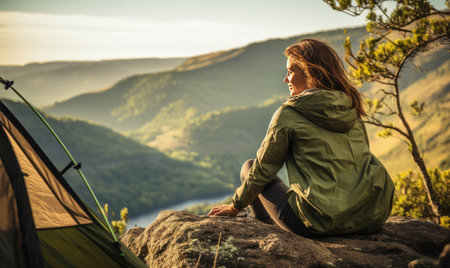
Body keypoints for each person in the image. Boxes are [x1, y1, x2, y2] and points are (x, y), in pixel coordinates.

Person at [207, 38, 395, 237]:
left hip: (317, 222)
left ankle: (264, 227)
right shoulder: (350, 104)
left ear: (309, 73)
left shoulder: (289, 113)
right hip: (368, 217)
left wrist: (236, 205)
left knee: (250, 167)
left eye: (290, 72)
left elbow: (264, 168)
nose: (285, 79)